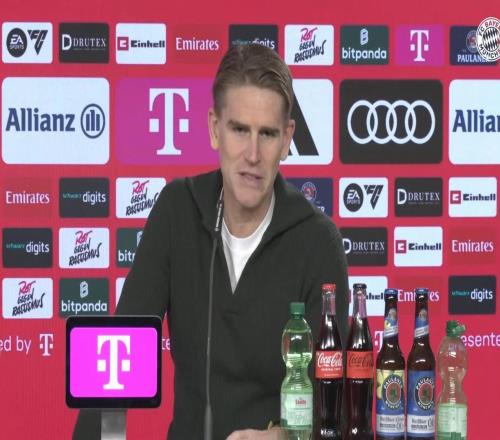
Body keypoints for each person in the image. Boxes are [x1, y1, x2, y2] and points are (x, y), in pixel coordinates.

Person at [73, 43, 349, 440]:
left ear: (288, 139)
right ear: (214, 129)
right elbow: (116, 362)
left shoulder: (317, 241)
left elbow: (336, 407)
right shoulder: (177, 210)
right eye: (239, 129)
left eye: (267, 134)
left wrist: (282, 437)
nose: (252, 154)